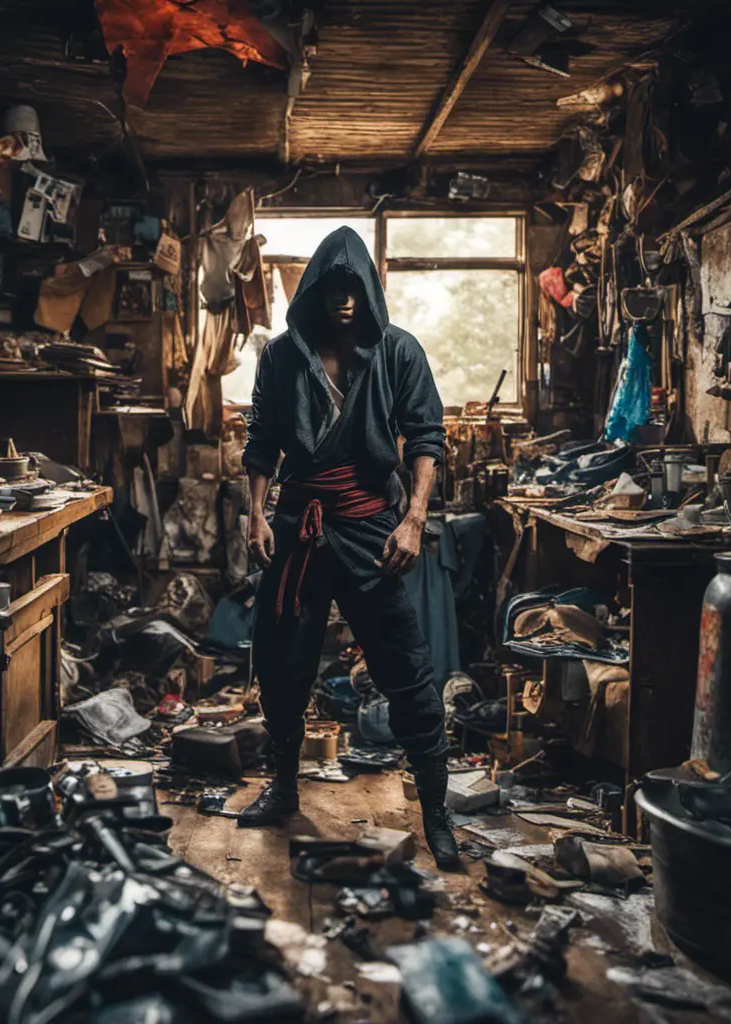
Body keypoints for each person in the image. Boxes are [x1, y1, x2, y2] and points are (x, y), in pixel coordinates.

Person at [239, 225, 459, 870]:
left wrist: (414, 518)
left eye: (353, 285)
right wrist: (255, 514)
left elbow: (426, 438)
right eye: (331, 286)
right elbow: (261, 442)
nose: (343, 297)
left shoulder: (398, 351)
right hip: (296, 522)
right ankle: (282, 788)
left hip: (370, 525)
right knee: (282, 665)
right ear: (312, 291)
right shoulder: (281, 356)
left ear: (369, 289)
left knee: (408, 671)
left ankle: (438, 815)